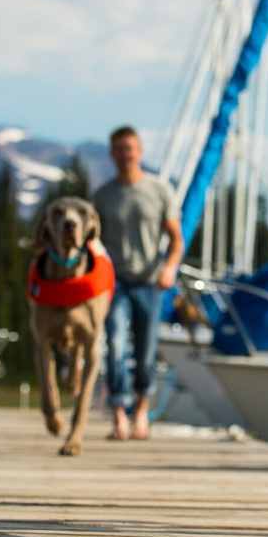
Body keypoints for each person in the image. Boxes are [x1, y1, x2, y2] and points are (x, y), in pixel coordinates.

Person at [92, 125, 183, 441]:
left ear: (140, 152)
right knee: (115, 344)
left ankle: (141, 412)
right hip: (114, 283)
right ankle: (119, 413)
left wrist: (169, 268)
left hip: (149, 282)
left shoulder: (159, 191)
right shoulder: (102, 196)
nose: (125, 154)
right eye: (118, 149)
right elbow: (94, 243)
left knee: (146, 351)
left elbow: (175, 239)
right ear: (112, 154)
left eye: (129, 148)